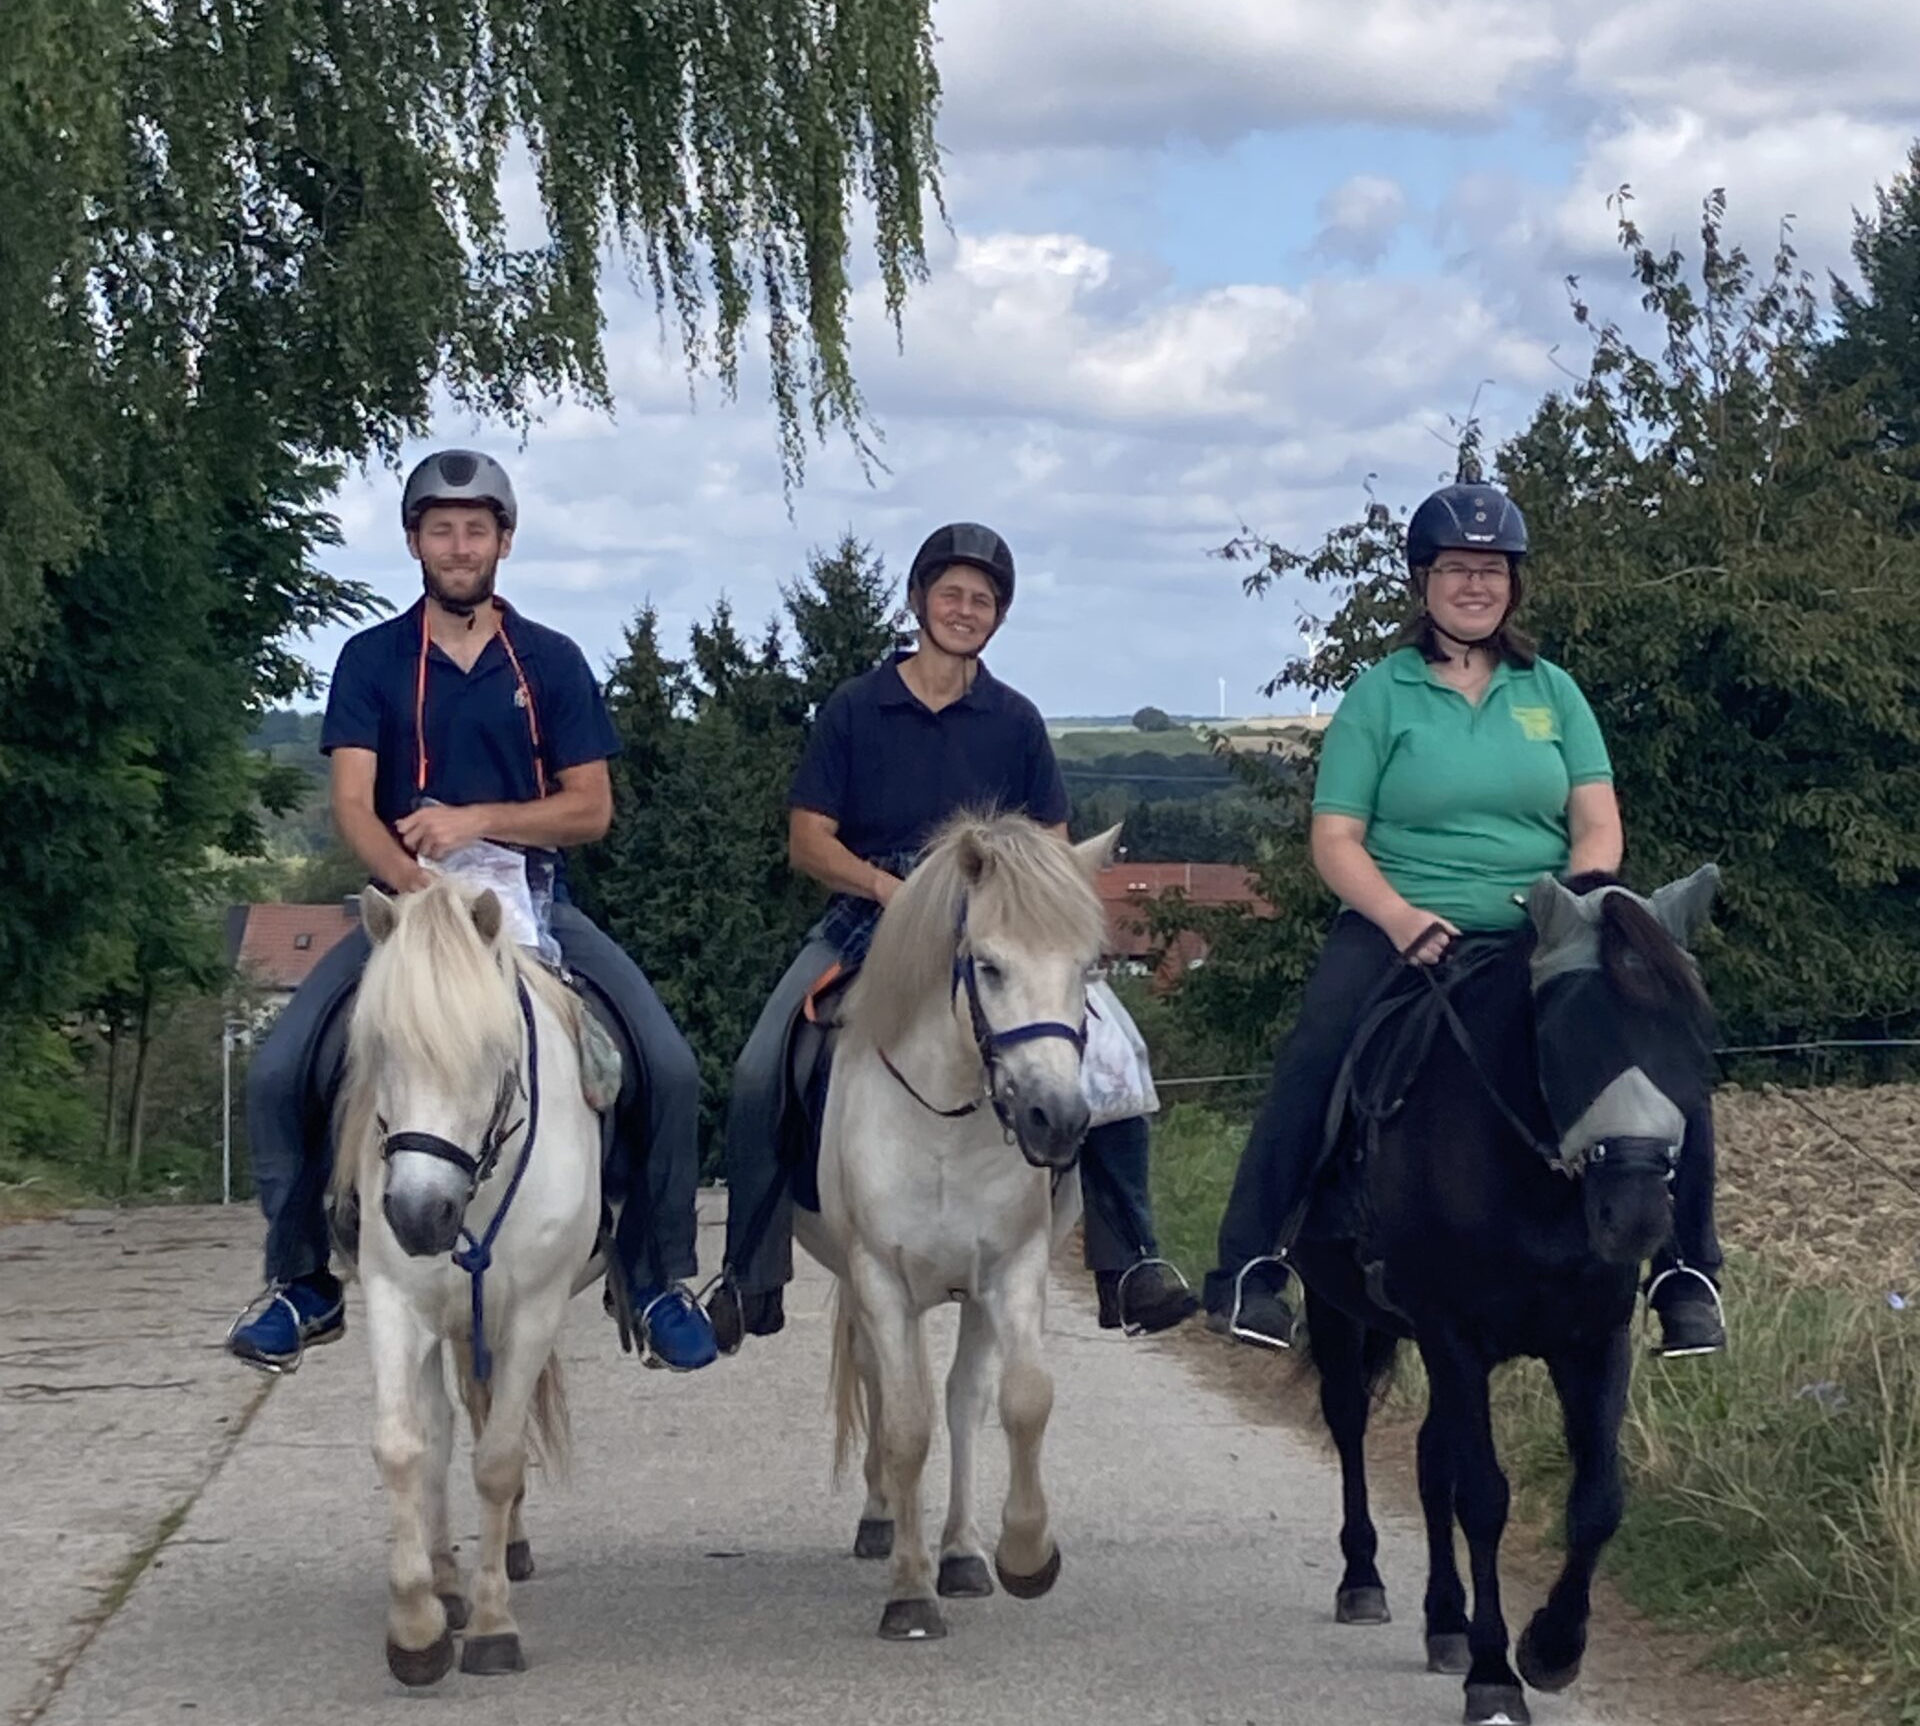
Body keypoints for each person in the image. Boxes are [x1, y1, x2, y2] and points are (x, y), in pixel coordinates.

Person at [1203, 481, 1725, 1360]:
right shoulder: (1382, 694)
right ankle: (1252, 1265)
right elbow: (1335, 839)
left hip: (1549, 928)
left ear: (1513, 584)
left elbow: (1597, 821)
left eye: (1491, 569)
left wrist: (1580, 906)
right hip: (1399, 921)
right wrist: (1400, 917)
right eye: (1455, 568)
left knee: (1662, 1044)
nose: (1474, 584)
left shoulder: (1553, 692)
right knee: (1317, 1049)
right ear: (1424, 582)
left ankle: (1686, 1272)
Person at [227, 449, 719, 1375]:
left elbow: (591, 808)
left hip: (530, 904)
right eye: (442, 529)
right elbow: (351, 805)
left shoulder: (551, 662)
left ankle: (654, 1277)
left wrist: (481, 820)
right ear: (415, 541)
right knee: (279, 1068)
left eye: (477, 529)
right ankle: (302, 1281)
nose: (460, 546)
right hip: (406, 909)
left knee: (670, 1065)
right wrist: (413, 887)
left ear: (504, 541)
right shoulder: (372, 659)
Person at [710, 522, 1197, 1350]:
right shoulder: (858, 709)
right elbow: (808, 839)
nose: (966, 610)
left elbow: (1049, 844)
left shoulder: (1014, 721)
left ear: (997, 618)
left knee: (1115, 1058)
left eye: (983, 600)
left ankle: (1132, 1259)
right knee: (764, 1063)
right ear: (918, 601)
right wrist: (888, 888)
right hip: (874, 916)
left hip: (996, 923)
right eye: (952, 595)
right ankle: (747, 1275)